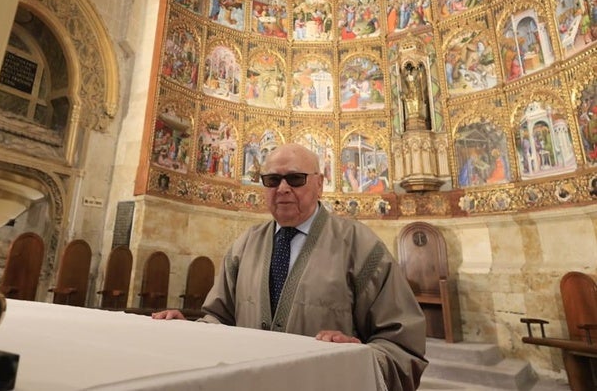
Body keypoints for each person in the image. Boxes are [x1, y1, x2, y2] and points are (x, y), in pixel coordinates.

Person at [153, 143, 427, 390]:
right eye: (272, 180)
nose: (282, 188)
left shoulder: (359, 245)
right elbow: (219, 319)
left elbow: (401, 344)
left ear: (319, 184)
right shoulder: (244, 245)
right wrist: (189, 331)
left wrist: (358, 358)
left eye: (295, 179)